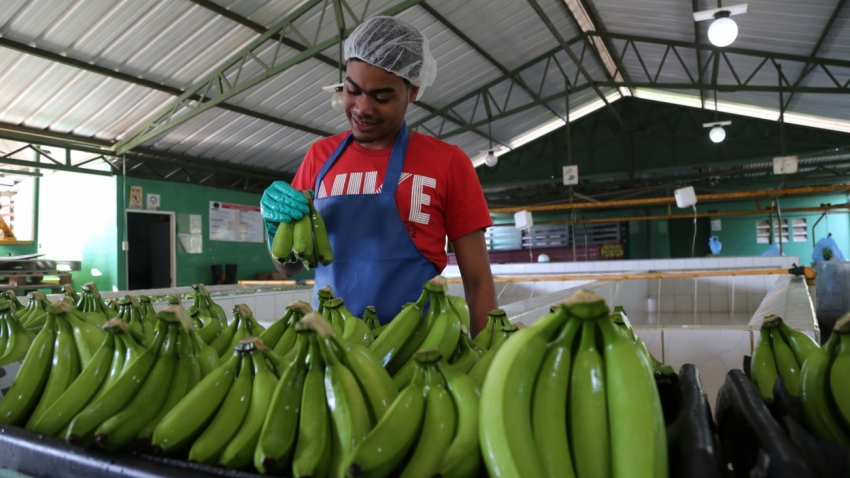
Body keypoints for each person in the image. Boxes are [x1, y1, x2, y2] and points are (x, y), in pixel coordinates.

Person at [260, 16, 497, 334]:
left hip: (417, 348)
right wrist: (273, 227)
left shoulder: (449, 162)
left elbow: (479, 280)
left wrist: (485, 352)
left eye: (381, 97)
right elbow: (287, 267)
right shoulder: (320, 157)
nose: (362, 108)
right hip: (330, 344)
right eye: (351, 90)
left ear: (412, 91)